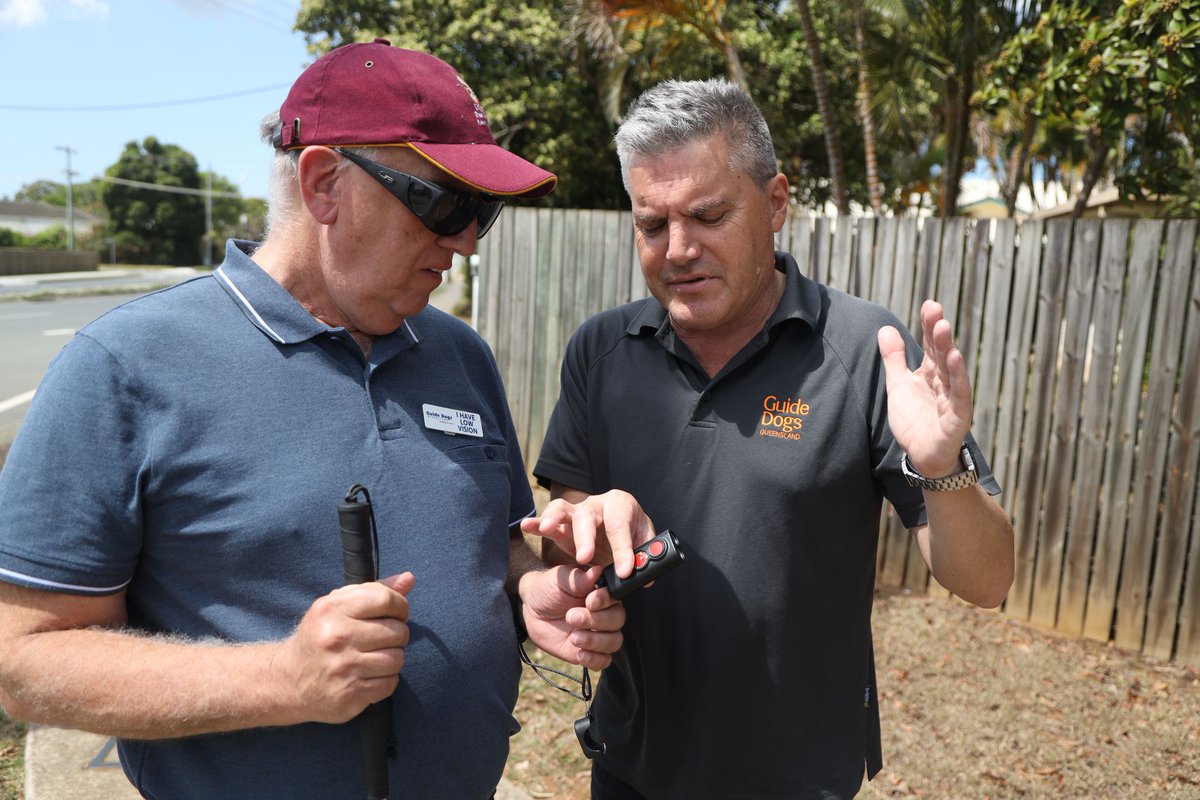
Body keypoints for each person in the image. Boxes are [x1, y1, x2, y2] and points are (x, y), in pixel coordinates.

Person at [0, 40, 625, 799]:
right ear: (326, 184)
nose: (463, 241)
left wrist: (531, 588)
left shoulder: (459, 354)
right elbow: (21, 661)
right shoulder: (125, 367)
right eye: (446, 205)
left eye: (482, 213)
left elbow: (490, 540)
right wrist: (282, 678)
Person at [523, 78, 1015, 799]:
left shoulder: (860, 351)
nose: (679, 249)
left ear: (776, 202)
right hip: (631, 766)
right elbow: (563, 541)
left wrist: (940, 469)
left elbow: (988, 580)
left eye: (709, 215)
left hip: (798, 777)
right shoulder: (601, 351)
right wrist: (579, 536)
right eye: (652, 225)